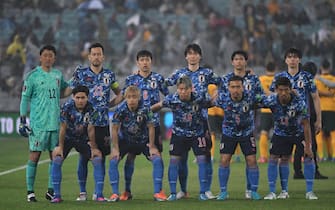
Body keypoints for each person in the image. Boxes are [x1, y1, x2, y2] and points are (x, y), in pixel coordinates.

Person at [165, 43, 221, 200]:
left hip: (202, 121)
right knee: (181, 158)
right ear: (186, 56)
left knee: (205, 155)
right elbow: (165, 83)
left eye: (195, 53)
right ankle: (183, 190)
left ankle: (207, 189)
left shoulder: (207, 73)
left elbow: (221, 82)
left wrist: (215, 95)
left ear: (200, 56)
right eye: (190, 53)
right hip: (181, 122)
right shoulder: (180, 73)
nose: (193, 56)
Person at [70, 42, 123, 201]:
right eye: (94, 54)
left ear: (103, 57)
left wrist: (109, 105)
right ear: (89, 56)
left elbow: (120, 94)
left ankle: (98, 193)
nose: (96, 56)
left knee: (101, 158)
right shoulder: (80, 74)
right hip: (84, 124)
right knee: (83, 157)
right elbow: (71, 91)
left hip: (102, 123)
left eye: (99, 54)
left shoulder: (109, 75)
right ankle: (82, 192)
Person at [19, 45, 72, 202]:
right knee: (34, 156)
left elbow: (63, 93)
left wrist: (73, 83)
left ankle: (51, 190)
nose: (48, 58)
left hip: (55, 124)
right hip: (38, 125)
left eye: (51, 56)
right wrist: (22, 120)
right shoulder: (32, 76)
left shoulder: (57, 75)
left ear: (54, 58)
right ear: (40, 57)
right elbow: (25, 99)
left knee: (54, 158)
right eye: (46, 55)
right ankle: (30, 192)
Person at [152, 76, 214, 201]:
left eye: (186, 89)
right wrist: (145, 112)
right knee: (174, 161)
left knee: (202, 160)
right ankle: (174, 193)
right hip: (178, 135)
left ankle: (203, 192)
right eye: (180, 89)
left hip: (197, 134)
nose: (183, 92)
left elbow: (213, 102)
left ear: (191, 89)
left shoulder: (199, 98)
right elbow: (158, 106)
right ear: (177, 89)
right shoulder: (172, 99)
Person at [120, 50, 169, 200]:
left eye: (147, 59)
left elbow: (168, 96)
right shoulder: (131, 79)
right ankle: (127, 191)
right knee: (130, 156)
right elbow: (123, 97)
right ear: (137, 62)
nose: (145, 62)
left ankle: (158, 191)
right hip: (133, 126)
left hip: (152, 124)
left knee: (156, 155)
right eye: (142, 60)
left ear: (151, 61)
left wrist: (159, 105)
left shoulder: (158, 78)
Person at [269, 48, 321, 179]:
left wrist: (319, 119)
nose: (292, 59)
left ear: (299, 59)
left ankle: (311, 181)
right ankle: (296, 173)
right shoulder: (279, 77)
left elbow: (315, 97)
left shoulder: (307, 77)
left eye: (295, 57)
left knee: (309, 148)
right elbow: (271, 95)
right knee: (282, 155)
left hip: (302, 119)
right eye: (290, 57)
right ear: (285, 60)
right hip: (284, 121)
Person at [263, 77, 318, 200]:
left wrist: (308, 146)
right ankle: (277, 192)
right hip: (280, 133)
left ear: (290, 90)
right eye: (280, 90)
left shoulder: (299, 102)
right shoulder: (271, 100)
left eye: (286, 90)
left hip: (298, 133)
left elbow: (306, 124)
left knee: (309, 156)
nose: (283, 93)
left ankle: (310, 192)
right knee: (276, 158)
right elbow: (255, 102)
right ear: (276, 90)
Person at [108, 85, 166, 202]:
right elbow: (114, 129)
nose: (131, 99)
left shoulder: (145, 109)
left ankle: (157, 192)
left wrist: (152, 146)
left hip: (143, 141)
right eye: (129, 97)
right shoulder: (120, 109)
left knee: (157, 159)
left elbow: (151, 127)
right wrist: (115, 148)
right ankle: (117, 193)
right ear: (125, 98)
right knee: (114, 160)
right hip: (126, 140)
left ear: (139, 97)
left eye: (134, 97)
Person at [220, 50, 263, 199]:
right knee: (224, 159)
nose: (238, 62)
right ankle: (223, 191)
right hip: (229, 128)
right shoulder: (225, 79)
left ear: (246, 61)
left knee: (250, 159)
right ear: (232, 62)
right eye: (236, 59)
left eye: (241, 59)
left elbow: (261, 98)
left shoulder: (253, 79)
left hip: (247, 127)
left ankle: (251, 190)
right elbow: (216, 98)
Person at [50, 85, 104, 203]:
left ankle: (99, 195)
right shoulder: (66, 107)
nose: (80, 100)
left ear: (87, 97)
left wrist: (94, 148)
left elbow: (90, 129)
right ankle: (57, 196)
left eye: (83, 98)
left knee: (97, 158)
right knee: (57, 159)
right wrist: (60, 146)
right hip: (68, 138)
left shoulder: (92, 109)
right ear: (73, 97)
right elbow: (63, 128)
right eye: (78, 97)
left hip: (83, 139)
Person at [315, 59, 335, 162]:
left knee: (320, 133)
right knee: (332, 133)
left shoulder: (317, 80)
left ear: (321, 68)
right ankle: (333, 156)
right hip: (332, 108)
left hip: (320, 108)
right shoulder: (333, 79)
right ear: (330, 68)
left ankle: (321, 156)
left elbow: (316, 93)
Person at [258, 62, 276, 163]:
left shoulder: (261, 79)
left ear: (266, 68)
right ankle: (281, 156)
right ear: (275, 68)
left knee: (264, 133)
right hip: (276, 109)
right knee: (280, 133)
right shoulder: (277, 79)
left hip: (265, 110)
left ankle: (263, 157)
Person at [207, 84, 224, 161]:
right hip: (221, 111)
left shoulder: (208, 86)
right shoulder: (218, 86)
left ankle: (211, 155)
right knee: (225, 134)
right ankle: (233, 156)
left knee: (212, 134)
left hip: (211, 112)